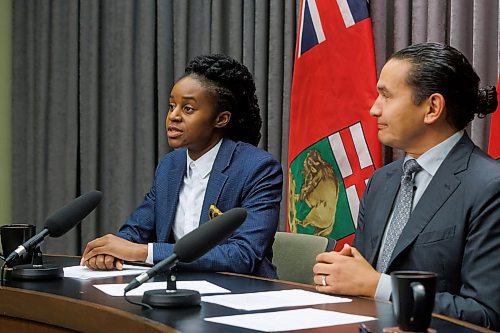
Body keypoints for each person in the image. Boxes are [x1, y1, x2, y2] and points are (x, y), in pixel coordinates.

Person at [313, 42, 500, 329]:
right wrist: (339, 275)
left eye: (386, 96)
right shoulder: (381, 181)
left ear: (432, 108)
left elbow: (486, 315)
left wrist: (378, 286)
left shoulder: (489, 186)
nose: (374, 109)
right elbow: (359, 277)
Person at [80, 54, 283, 278]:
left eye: (188, 109)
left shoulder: (258, 169)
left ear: (221, 119)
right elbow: (137, 229)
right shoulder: (171, 166)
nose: (173, 116)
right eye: (171, 106)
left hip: (240, 296)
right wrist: (111, 251)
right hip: (177, 289)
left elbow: (243, 255)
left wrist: (144, 252)